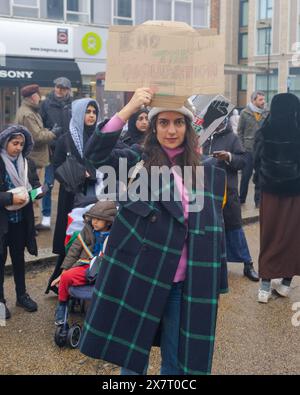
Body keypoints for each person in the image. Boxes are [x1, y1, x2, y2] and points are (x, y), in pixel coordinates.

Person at [79, 88, 228, 376]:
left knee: (176, 361)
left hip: (184, 282)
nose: (171, 130)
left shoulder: (202, 169)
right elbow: (94, 154)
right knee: (133, 359)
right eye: (163, 122)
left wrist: (216, 279)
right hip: (142, 276)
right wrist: (130, 107)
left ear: (188, 127)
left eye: (178, 122)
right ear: (154, 125)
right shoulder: (138, 159)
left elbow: (213, 230)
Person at [45, 98, 101, 294]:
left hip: (96, 194)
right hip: (71, 196)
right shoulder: (66, 139)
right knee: (71, 239)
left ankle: (84, 278)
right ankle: (60, 281)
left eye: (94, 111)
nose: (91, 115)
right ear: (78, 114)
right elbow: (57, 167)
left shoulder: (99, 138)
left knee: (93, 237)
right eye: (87, 111)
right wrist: (79, 174)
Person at [254, 93, 300, 303]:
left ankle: (265, 283)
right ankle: (286, 283)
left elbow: (256, 156)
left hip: (270, 189)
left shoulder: (266, 128)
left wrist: (258, 180)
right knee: (292, 235)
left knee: (269, 233)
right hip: (295, 190)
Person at [203, 117, 259, 282]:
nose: (219, 123)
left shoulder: (232, 138)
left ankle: (247, 264)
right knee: (209, 229)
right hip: (205, 190)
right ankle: (213, 265)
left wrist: (228, 156)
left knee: (234, 227)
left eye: (222, 120)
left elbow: (242, 161)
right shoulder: (202, 137)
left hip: (227, 190)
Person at [51, 200, 117, 325]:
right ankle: (62, 305)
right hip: (86, 266)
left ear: (109, 221)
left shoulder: (116, 235)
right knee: (66, 277)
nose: (94, 222)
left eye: (99, 219)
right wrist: (62, 273)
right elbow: (73, 252)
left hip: (106, 269)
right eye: (93, 218)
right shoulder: (86, 231)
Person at [0, 125, 41, 318]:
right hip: (2, 223)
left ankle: (21, 295)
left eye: (21, 144)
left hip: (20, 222)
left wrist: (37, 193)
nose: (18, 147)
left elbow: (36, 187)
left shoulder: (27, 164)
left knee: (18, 259)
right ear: (5, 142)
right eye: (14, 143)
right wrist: (10, 199)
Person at [15, 84, 57, 226]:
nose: (40, 97)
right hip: (34, 160)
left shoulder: (31, 111)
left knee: (34, 191)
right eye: (38, 95)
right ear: (34, 97)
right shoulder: (28, 113)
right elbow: (37, 136)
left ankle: (34, 221)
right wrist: (53, 133)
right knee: (34, 191)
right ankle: (33, 222)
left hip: (36, 159)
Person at [39, 77, 72, 230]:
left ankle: (69, 214)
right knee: (48, 184)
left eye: (64, 88)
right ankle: (46, 216)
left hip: (68, 150)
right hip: (52, 150)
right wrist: (50, 134)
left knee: (70, 184)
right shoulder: (45, 104)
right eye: (58, 87)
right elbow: (41, 125)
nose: (60, 90)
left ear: (68, 90)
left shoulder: (72, 104)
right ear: (54, 87)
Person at [238, 91, 268, 207]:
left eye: (263, 99)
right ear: (253, 100)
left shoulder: (266, 113)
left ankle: (258, 201)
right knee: (246, 176)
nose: (263, 102)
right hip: (248, 149)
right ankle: (241, 199)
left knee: (260, 176)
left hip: (261, 149)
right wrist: (242, 147)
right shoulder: (245, 113)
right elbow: (240, 132)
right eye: (260, 99)